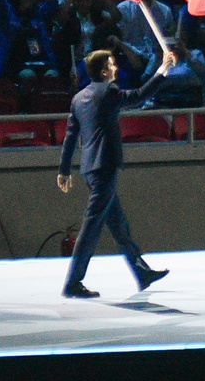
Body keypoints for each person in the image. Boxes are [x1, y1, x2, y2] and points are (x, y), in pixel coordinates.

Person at [57, 45, 180, 299]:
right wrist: (163, 69)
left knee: (118, 225)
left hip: (90, 167)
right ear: (104, 72)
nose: (117, 68)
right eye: (113, 65)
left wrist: (64, 170)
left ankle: (141, 272)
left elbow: (71, 137)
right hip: (105, 166)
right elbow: (138, 96)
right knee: (91, 228)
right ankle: (73, 282)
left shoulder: (79, 98)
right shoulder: (109, 91)